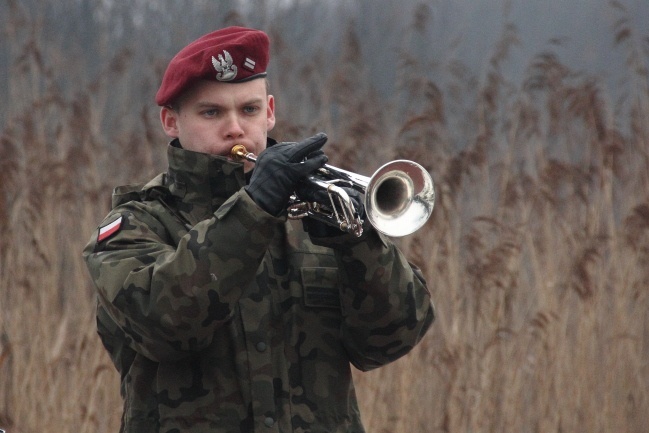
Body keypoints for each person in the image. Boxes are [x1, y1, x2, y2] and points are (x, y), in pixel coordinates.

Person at [83, 26, 435, 433]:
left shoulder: (316, 214)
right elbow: (165, 327)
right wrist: (254, 210)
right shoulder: (134, 225)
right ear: (171, 121)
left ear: (270, 112)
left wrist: (359, 244)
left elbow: (388, 343)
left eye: (248, 110)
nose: (235, 128)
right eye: (211, 112)